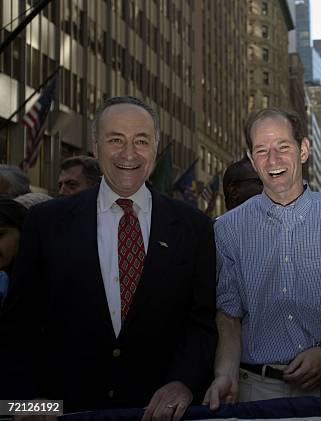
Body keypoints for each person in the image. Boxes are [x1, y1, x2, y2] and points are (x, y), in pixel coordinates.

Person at [0, 96, 217, 417]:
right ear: (95, 146)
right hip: (62, 411)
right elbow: (19, 327)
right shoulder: (47, 222)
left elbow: (201, 324)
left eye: (141, 141)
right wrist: (26, 401)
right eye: (115, 140)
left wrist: (184, 382)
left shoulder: (194, 227)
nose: (128, 153)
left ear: (156, 146)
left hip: (156, 413)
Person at [206, 108, 321, 408]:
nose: (273, 160)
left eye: (283, 147)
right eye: (262, 151)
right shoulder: (226, 230)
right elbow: (228, 316)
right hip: (255, 392)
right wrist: (225, 375)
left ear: (303, 150)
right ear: (252, 160)